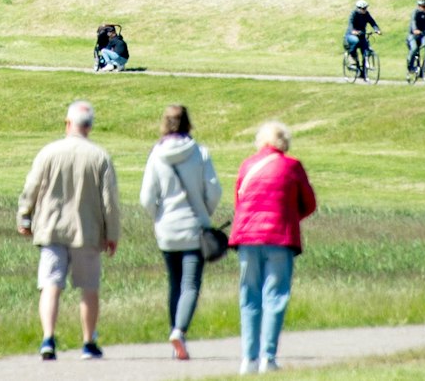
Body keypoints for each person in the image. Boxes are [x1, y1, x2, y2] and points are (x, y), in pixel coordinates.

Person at [17, 100, 120, 362]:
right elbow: (110, 201)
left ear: (68, 123)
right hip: (86, 231)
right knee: (88, 287)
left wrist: (25, 217)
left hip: (51, 229)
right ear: (90, 127)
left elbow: (31, 188)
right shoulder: (100, 157)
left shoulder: (48, 152)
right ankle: (88, 342)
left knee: (50, 284)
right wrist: (112, 233)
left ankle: (48, 338)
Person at [138, 104, 222, 361]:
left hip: (167, 230)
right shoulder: (200, 153)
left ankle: (175, 335)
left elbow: (146, 197)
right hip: (194, 228)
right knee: (190, 285)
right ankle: (179, 331)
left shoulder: (156, 154)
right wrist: (203, 212)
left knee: (174, 284)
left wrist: (158, 217)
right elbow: (214, 191)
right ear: (188, 123)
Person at [231, 121, 317, 375]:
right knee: (275, 297)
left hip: (247, 238)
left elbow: (239, 201)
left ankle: (248, 358)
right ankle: (268, 357)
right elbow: (309, 203)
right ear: (284, 142)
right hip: (280, 238)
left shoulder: (248, 165)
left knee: (249, 297)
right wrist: (289, 216)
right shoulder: (292, 166)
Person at [343, 0, 380, 81]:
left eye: (365, 8)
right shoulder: (354, 14)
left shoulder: (366, 14)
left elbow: (372, 22)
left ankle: (363, 74)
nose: (364, 10)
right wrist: (354, 31)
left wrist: (377, 30)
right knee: (355, 41)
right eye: (362, 8)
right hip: (351, 35)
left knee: (365, 52)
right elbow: (351, 24)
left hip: (362, 35)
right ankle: (352, 55)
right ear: (358, 8)